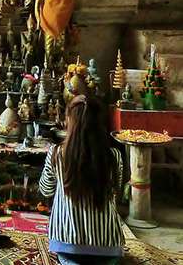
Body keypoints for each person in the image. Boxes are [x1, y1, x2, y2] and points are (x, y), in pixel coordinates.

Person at [39, 95, 124, 264]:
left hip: (68, 247)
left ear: (70, 122)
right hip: (109, 249)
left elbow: (45, 189)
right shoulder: (114, 156)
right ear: (100, 124)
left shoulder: (57, 154)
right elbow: (116, 192)